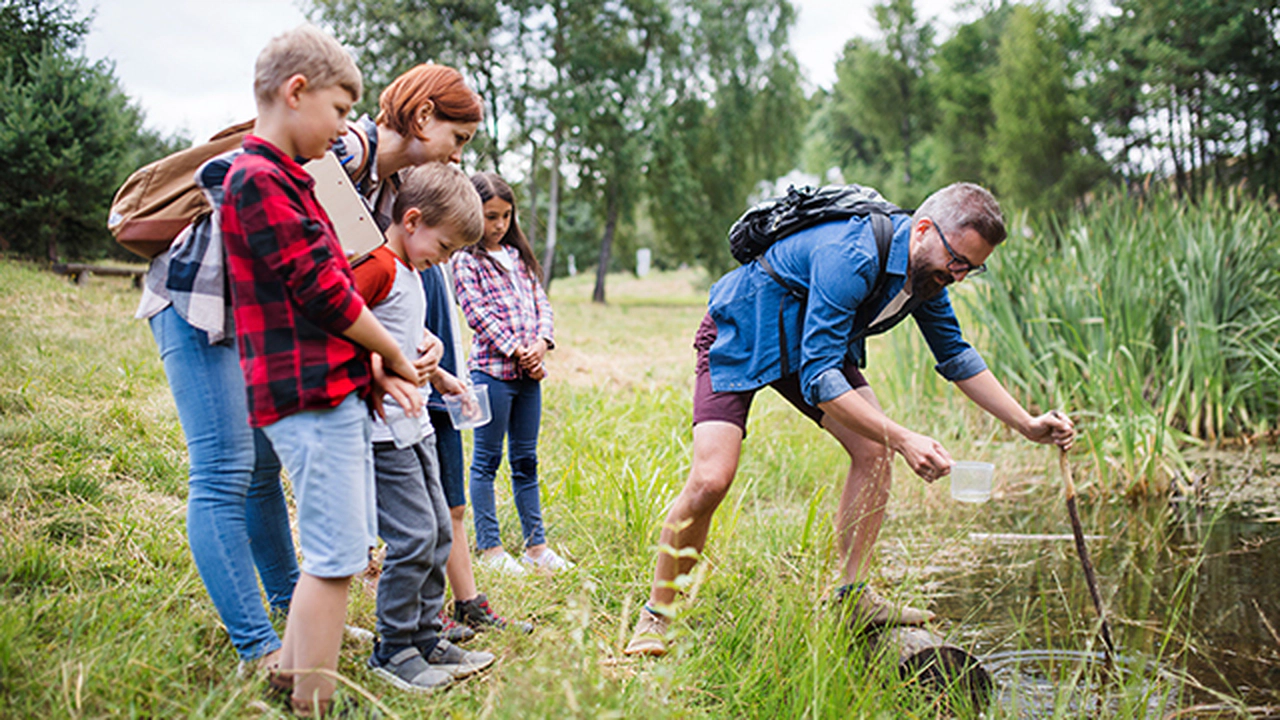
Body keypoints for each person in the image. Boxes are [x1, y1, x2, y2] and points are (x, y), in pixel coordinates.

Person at [623, 182, 1077, 657]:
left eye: (973, 268)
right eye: (957, 261)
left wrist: (1026, 424)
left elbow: (956, 355)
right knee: (712, 479)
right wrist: (904, 436)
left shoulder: (928, 279)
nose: (960, 276)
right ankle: (657, 614)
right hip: (744, 328)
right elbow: (822, 379)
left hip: (812, 344)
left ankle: (853, 596)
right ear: (923, 231)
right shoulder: (853, 254)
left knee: (872, 450)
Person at [219, 25, 423, 715]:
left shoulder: (290, 178)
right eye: (339, 111)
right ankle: (315, 700)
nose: (344, 129)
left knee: (334, 551)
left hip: (328, 388)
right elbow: (325, 291)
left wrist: (371, 370)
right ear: (296, 91)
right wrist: (392, 351)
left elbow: (325, 290)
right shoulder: (257, 178)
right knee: (336, 560)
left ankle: (293, 677)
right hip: (304, 396)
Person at [330, 64, 528, 632]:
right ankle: (400, 638)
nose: (461, 156)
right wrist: (379, 358)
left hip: (410, 401)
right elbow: (335, 300)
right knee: (411, 527)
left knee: (436, 517)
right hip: (377, 409)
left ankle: (435, 622)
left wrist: (430, 357)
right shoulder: (345, 158)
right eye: (459, 139)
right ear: (422, 117)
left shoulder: (399, 203)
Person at [351, 163, 497, 692]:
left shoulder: (412, 272)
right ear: (412, 220)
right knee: (412, 537)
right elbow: (340, 327)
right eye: (447, 246)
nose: (448, 259)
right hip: (380, 432)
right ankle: (392, 648)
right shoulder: (377, 268)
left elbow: (407, 341)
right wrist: (381, 370)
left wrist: (446, 377)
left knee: (437, 529)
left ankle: (426, 633)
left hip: (414, 427)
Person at [452, 173, 567, 573]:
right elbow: (477, 314)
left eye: (505, 216)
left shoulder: (519, 258)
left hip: (528, 377)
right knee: (486, 460)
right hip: (492, 374)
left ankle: (537, 547)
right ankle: (490, 549)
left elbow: (542, 305)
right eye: (489, 216)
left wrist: (540, 344)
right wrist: (516, 349)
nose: (498, 225)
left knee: (526, 459)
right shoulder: (465, 261)